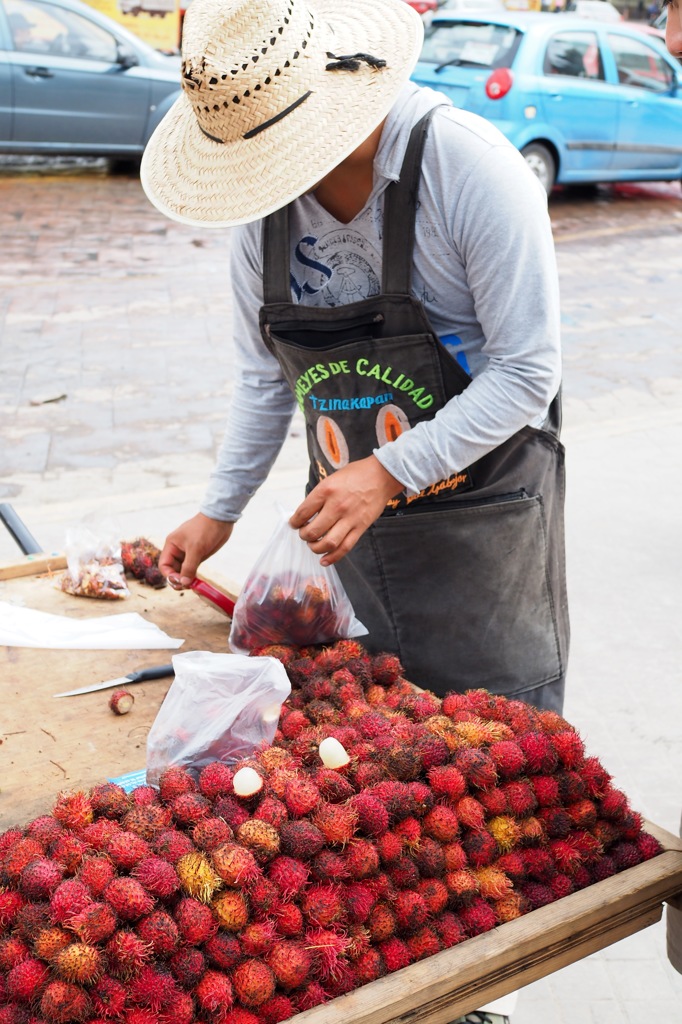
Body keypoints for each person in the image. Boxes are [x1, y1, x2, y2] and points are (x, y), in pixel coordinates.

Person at [142, 0, 569, 720]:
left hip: (484, 537)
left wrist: (388, 471)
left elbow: (528, 372)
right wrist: (219, 511)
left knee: (500, 761)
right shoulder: (265, 211)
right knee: (370, 753)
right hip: (352, 552)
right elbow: (263, 378)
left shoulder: (471, 170)